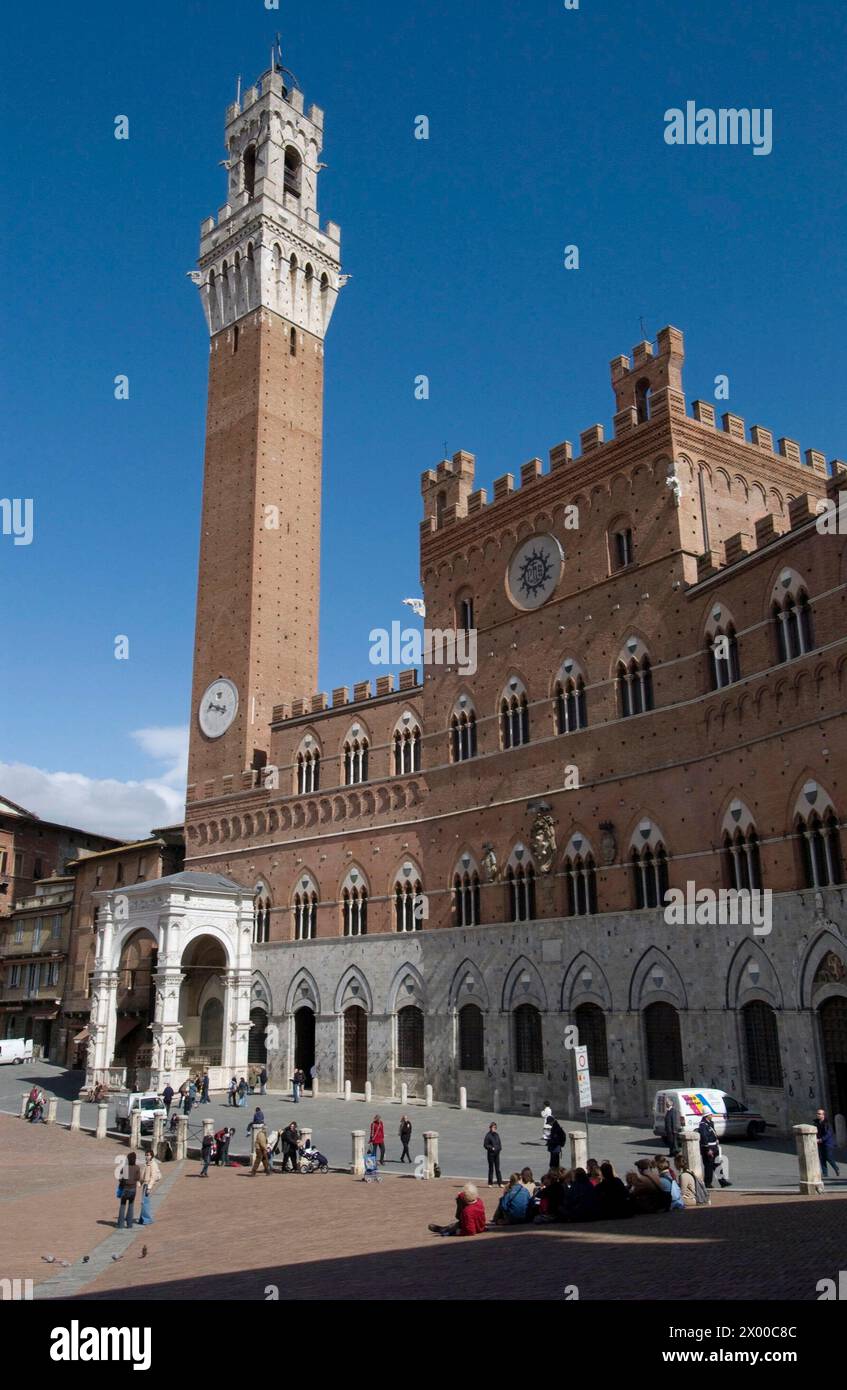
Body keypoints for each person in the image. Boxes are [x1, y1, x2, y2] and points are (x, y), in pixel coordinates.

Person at [116, 1152, 142, 1229]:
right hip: (133, 1189)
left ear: (128, 1159)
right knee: (131, 1206)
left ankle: (120, 1225)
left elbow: (120, 1179)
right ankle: (129, 1224)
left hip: (125, 1189)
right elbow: (138, 1178)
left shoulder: (125, 1168)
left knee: (122, 1206)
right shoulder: (137, 1167)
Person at [816, 1108, 840, 1178]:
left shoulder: (827, 1123)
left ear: (823, 1115)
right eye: (817, 1113)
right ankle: (825, 1173)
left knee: (828, 1157)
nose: (818, 1115)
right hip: (820, 1143)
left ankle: (836, 1168)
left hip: (828, 1143)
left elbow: (828, 1134)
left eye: (819, 1114)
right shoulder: (816, 1123)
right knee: (822, 1158)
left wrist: (821, 1139)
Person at [139, 1150, 162, 1223]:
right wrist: (140, 1182)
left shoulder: (153, 1164)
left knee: (145, 1202)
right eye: (146, 1155)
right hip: (145, 1184)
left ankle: (146, 1219)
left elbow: (153, 1177)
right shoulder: (146, 1164)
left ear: (151, 1156)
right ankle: (142, 1219)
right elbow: (143, 1175)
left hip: (148, 1185)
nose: (147, 1156)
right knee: (143, 1202)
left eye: (148, 1155)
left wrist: (149, 1187)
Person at [698, 1114, 721, 1189]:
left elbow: (713, 1133)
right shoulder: (703, 1125)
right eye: (710, 1114)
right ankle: (707, 1183)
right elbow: (704, 1137)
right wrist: (708, 1149)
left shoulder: (710, 1122)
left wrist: (716, 1139)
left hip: (714, 1147)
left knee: (716, 1164)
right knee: (708, 1166)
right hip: (708, 1148)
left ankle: (722, 1181)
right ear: (707, 1115)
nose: (712, 1115)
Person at [483, 1122, 503, 1187]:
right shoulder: (488, 1135)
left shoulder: (497, 1135)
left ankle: (500, 1183)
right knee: (491, 1169)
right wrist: (492, 1148)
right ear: (490, 1128)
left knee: (498, 1169)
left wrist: (499, 1149)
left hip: (497, 1154)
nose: (494, 1129)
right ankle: (490, 1183)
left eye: (495, 1128)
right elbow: (485, 1145)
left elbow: (499, 1144)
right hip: (490, 1154)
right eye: (493, 1127)